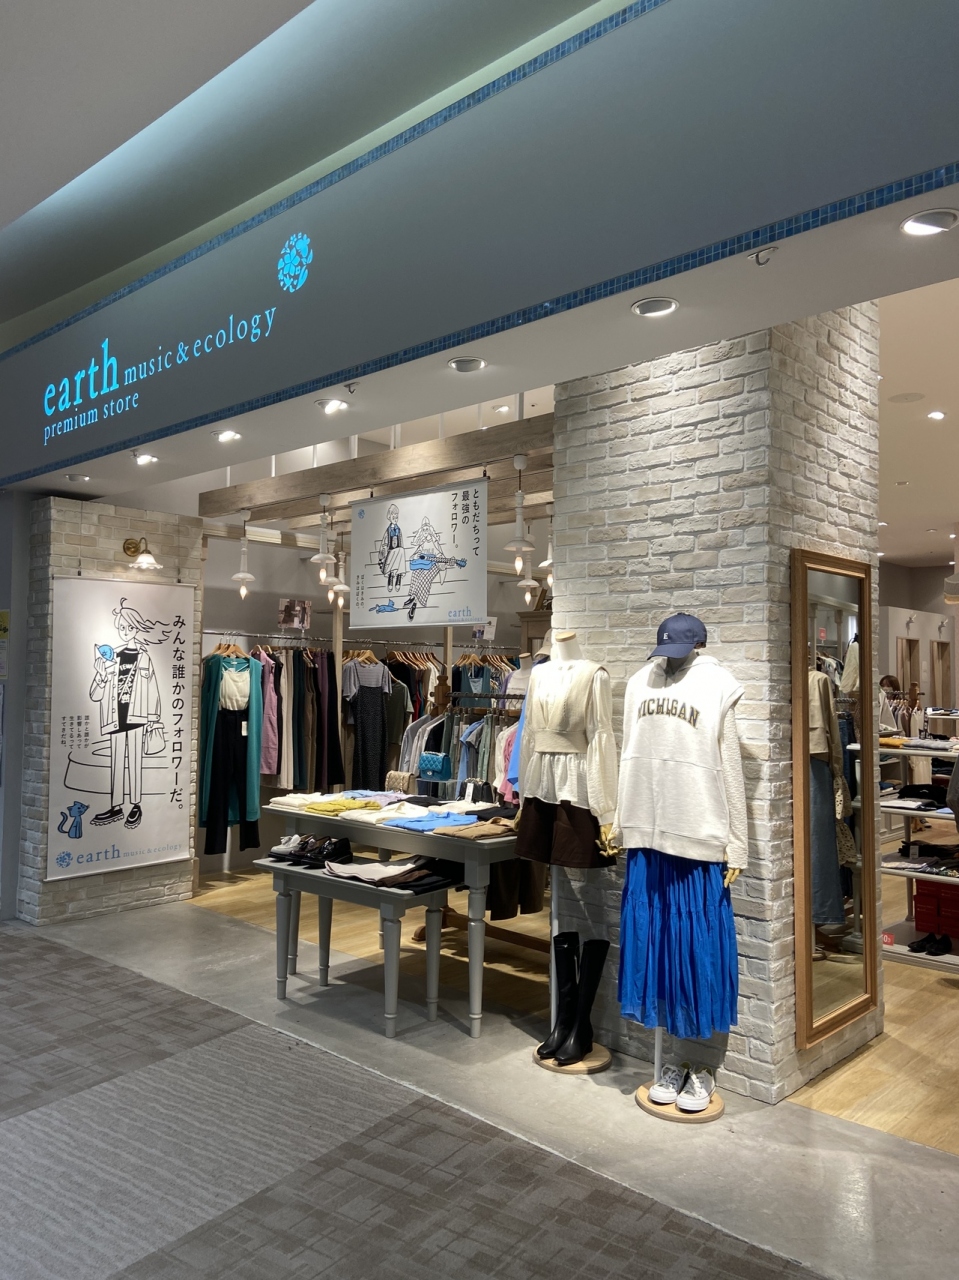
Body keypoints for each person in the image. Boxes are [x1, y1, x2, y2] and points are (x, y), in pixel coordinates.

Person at [89, 598, 170, 830]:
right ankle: (116, 806)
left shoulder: (144, 658)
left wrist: (154, 718)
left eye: (130, 627)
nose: (125, 631)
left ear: (137, 628)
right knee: (116, 763)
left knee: (135, 762)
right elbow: (94, 695)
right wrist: (101, 675)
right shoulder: (110, 657)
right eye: (122, 627)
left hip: (137, 718)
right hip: (114, 718)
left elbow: (153, 689)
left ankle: (135, 805)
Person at [377, 504, 406, 591]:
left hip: (398, 554)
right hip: (389, 554)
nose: (395, 519)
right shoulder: (388, 531)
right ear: (390, 517)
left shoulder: (399, 530)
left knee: (401, 550)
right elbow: (384, 544)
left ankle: (398, 576)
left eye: (397, 517)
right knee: (399, 551)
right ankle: (391, 575)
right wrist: (382, 556)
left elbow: (401, 543)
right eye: (394, 517)